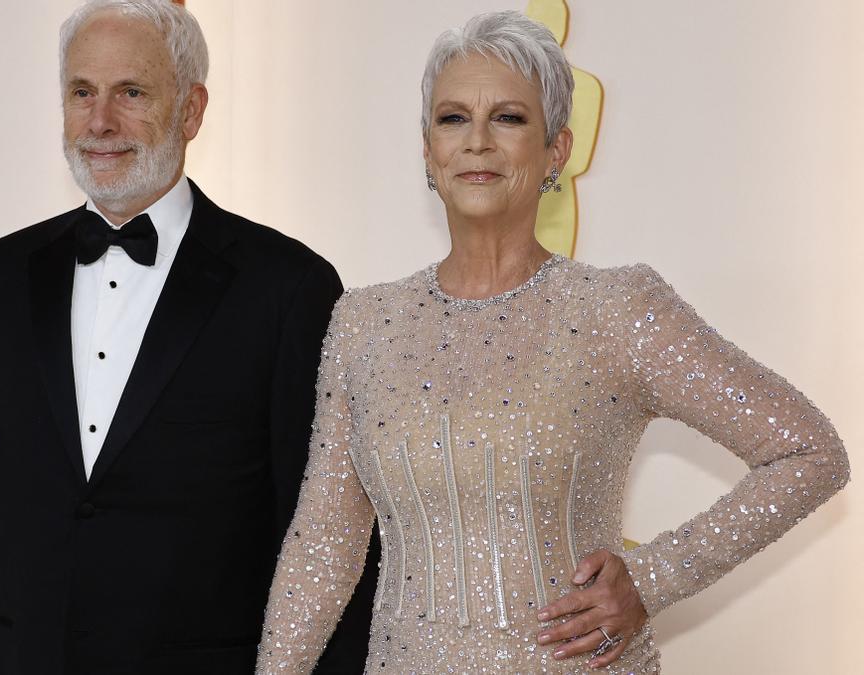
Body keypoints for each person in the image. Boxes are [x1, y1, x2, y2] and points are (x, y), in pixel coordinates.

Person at [255, 10, 849, 674]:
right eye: (453, 119)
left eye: (507, 118)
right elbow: (325, 548)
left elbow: (809, 450)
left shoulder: (617, 309)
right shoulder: (363, 322)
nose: (477, 140)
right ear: (428, 150)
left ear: (555, 151)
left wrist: (651, 578)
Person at [0, 1, 375, 672]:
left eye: (130, 93)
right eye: (82, 93)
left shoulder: (290, 288)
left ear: (191, 110)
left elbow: (327, 546)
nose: (100, 122)